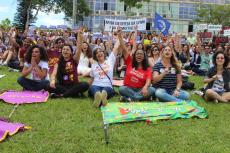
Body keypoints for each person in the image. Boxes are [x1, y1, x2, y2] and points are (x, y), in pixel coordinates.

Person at [49, 32, 89, 98]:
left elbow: (78, 49)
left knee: (85, 85)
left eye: (67, 50)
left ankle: (62, 95)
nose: (65, 51)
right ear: (61, 51)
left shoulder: (74, 60)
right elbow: (53, 74)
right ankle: (74, 93)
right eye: (64, 49)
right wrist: (52, 81)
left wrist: (80, 38)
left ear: (71, 52)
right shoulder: (58, 63)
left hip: (74, 85)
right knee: (49, 86)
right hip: (62, 85)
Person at [118, 30, 155, 102]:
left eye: (141, 54)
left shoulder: (148, 69)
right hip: (128, 88)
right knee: (121, 89)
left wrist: (145, 87)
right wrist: (119, 37)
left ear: (144, 57)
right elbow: (124, 49)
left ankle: (130, 98)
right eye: (137, 54)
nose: (139, 55)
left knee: (152, 89)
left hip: (141, 89)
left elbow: (148, 81)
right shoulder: (130, 62)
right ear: (134, 56)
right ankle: (139, 98)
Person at [88, 37, 120, 107]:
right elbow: (92, 79)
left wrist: (119, 37)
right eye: (97, 53)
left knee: (105, 90)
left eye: (100, 51)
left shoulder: (110, 61)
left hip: (107, 85)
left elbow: (116, 48)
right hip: (96, 84)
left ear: (103, 53)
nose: (99, 53)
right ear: (95, 56)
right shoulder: (94, 65)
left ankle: (101, 95)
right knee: (93, 89)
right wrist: (88, 88)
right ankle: (99, 96)